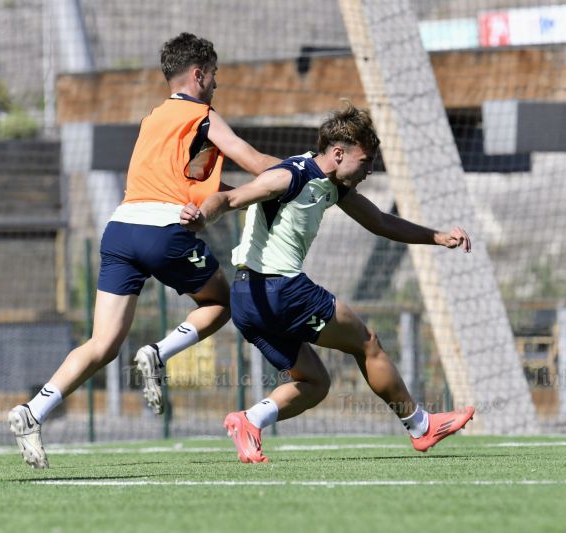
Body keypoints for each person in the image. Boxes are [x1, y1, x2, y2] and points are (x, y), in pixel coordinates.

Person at [7, 32, 280, 469]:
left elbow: (191, 187)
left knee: (102, 343)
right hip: (162, 232)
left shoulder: (152, 119)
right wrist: (308, 168)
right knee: (220, 302)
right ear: (198, 74)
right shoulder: (203, 116)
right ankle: (158, 352)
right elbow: (253, 160)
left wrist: (239, 196)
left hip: (119, 229)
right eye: (213, 76)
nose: (216, 84)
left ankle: (31, 412)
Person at [180, 102, 475, 463]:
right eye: (365, 161)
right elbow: (231, 197)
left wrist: (438, 237)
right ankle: (420, 426)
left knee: (314, 382)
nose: (369, 171)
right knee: (366, 343)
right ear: (338, 153)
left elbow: (381, 222)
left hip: (247, 300)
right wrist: (200, 217)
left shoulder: (332, 185)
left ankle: (249, 420)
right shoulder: (291, 175)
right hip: (281, 290)